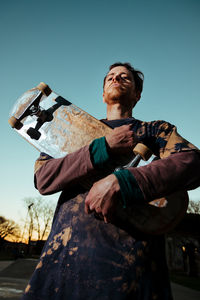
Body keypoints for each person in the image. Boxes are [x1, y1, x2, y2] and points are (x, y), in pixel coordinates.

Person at [21, 63, 200, 300]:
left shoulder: (154, 130)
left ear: (137, 95)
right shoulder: (71, 130)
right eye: (110, 77)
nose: (117, 78)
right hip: (62, 258)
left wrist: (123, 181)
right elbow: (43, 179)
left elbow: (191, 161)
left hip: (129, 266)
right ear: (103, 94)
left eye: (125, 77)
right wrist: (101, 147)